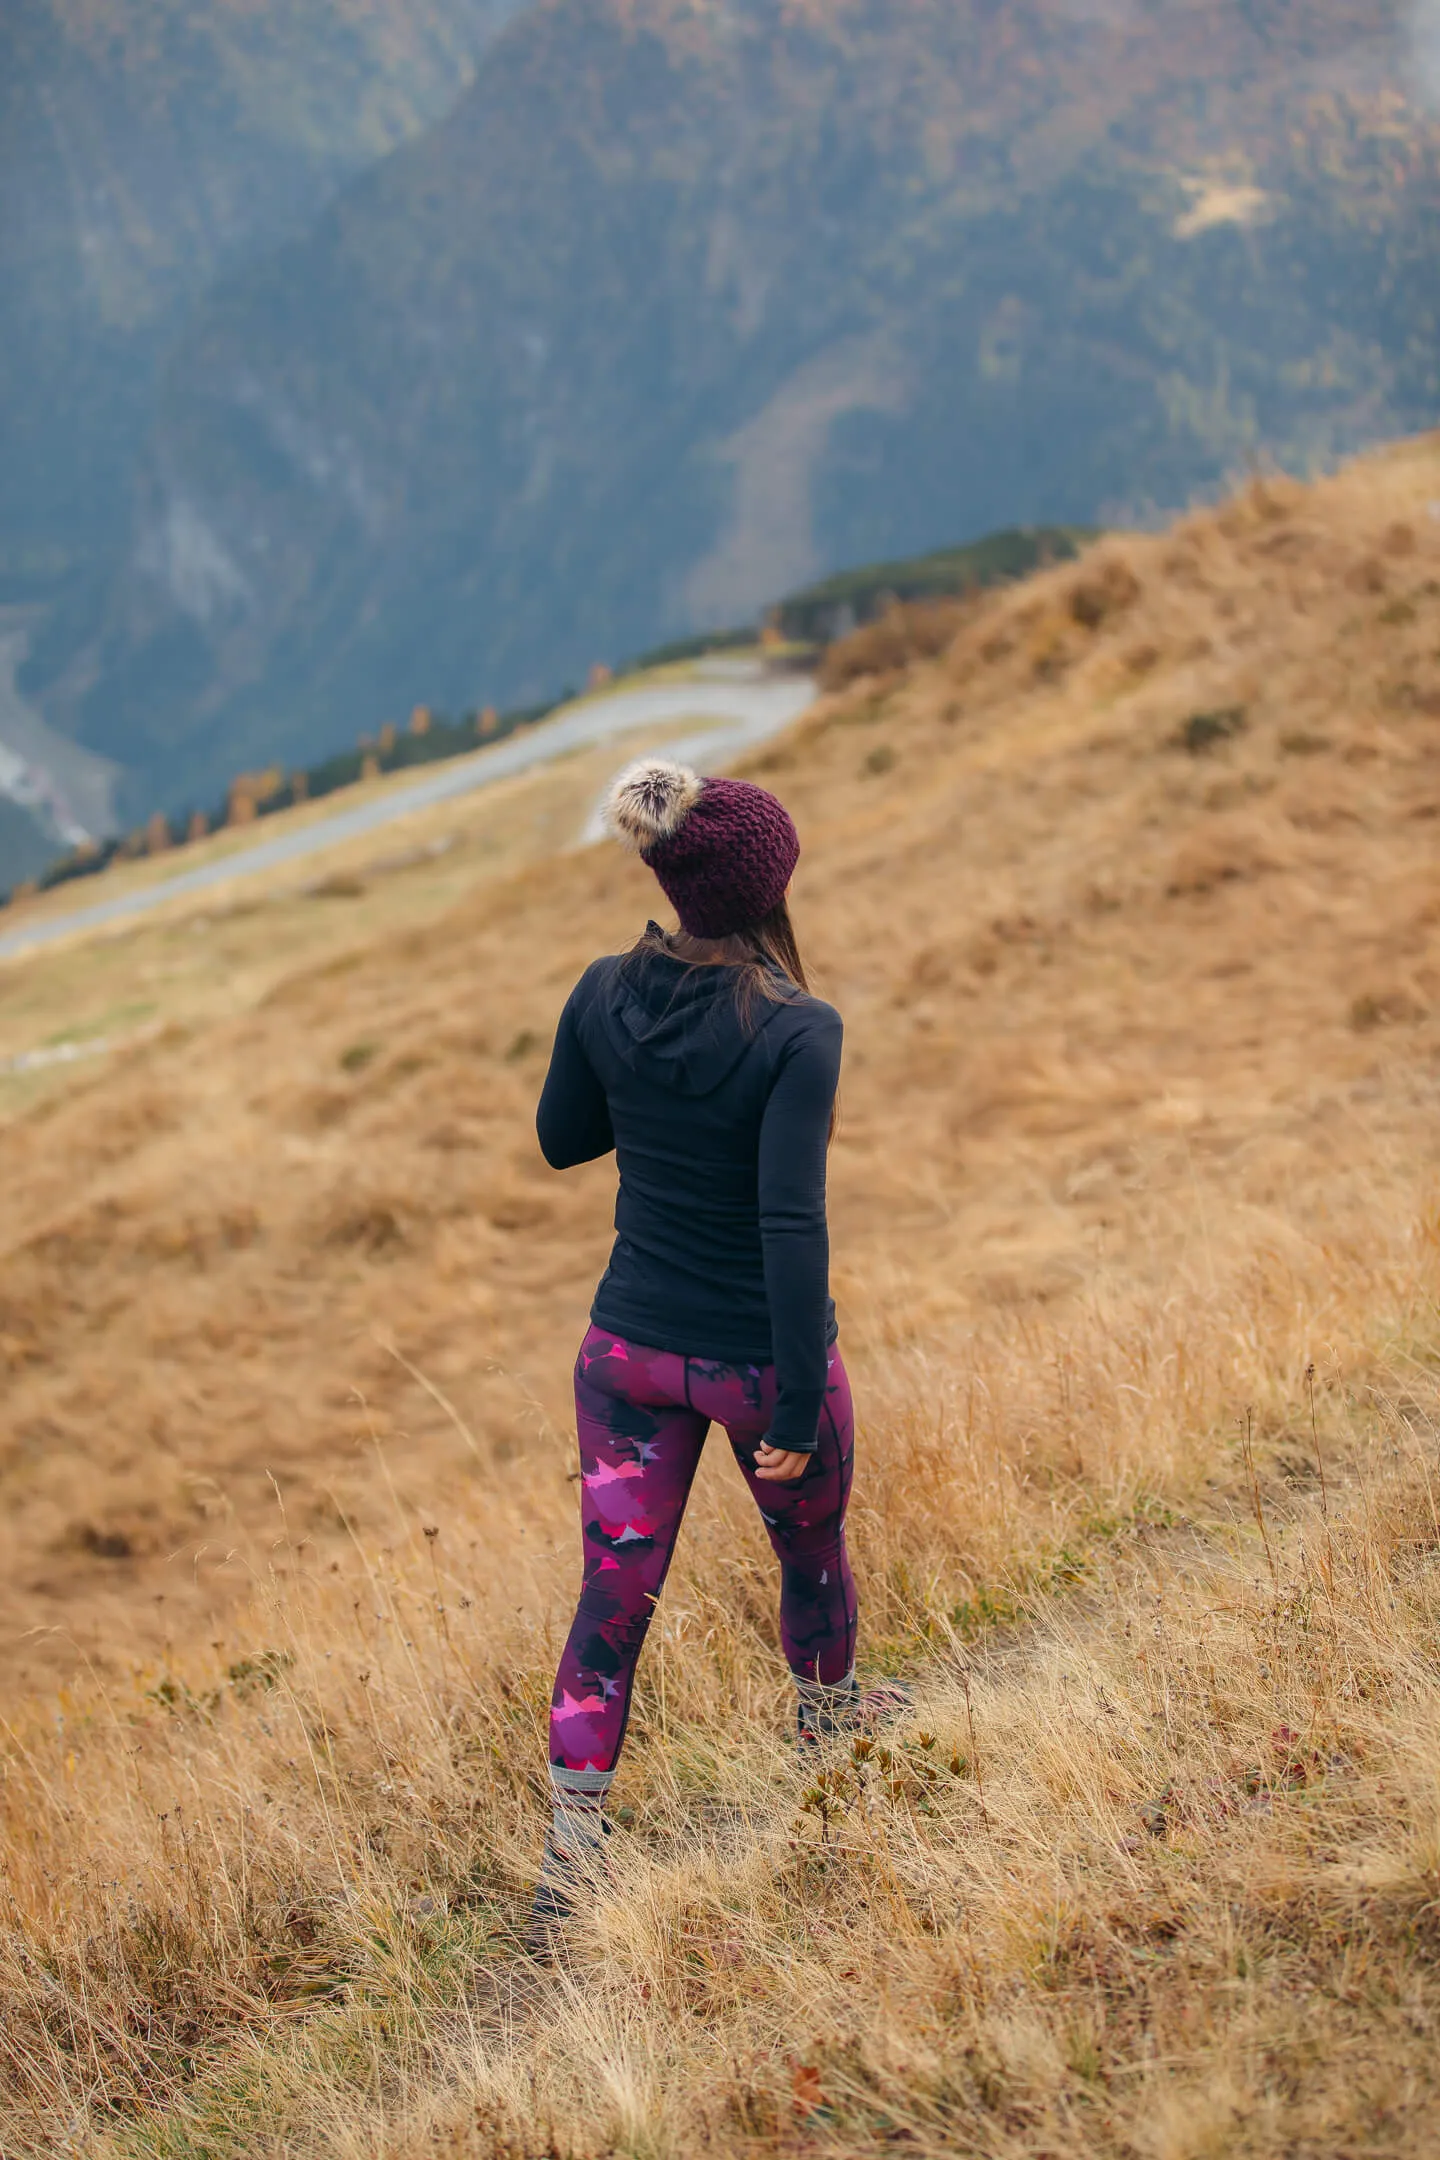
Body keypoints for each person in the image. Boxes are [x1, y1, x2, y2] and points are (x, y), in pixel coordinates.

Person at [528, 757, 901, 1951]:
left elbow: (560, 1141)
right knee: (810, 1552)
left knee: (613, 1595)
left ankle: (571, 1855)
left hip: (628, 1351)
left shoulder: (603, 989)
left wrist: (637, 1078)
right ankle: (831, 1730)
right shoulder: (800, 1028)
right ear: (771, 881)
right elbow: (792, 1223)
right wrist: (795, 1400)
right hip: (752, 1359)